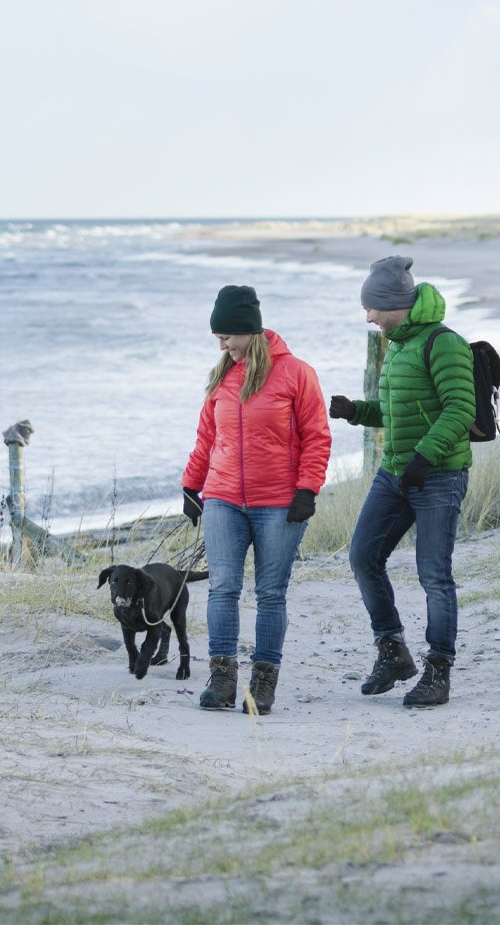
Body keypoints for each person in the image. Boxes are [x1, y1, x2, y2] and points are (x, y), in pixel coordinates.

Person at [327, 256, 474, 708]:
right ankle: (392, 652)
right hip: (394, 474)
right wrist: (356, 411)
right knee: (363, 556)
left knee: (434, 574)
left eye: (372, 307)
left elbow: (459, 410)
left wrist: (424, 459)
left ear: (394, 303)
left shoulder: (443, 343)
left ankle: (438, 671)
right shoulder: (398, 344)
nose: (367, 316)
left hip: (437, 477)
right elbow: (395, 414)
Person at [181, 284, 332, 715]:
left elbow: (317, 437)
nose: (223, 344)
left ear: (250, 329)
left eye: (227, 335)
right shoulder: (222, 377)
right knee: (223, 588)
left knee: (270, 593)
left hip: (279, 504)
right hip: (223, 498)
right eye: (217, 338)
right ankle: (222, 680)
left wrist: (308, 489)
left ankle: (262, 683)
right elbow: (208, 437)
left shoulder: (296, 373)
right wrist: (191, 485)